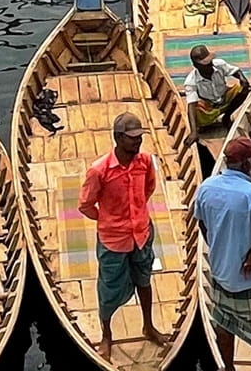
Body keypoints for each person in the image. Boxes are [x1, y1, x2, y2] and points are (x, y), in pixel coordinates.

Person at [78, 113, 168, 359]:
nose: (137, 142)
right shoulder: (99, 170)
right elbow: (85, 204)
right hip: (113, 239)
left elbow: (149, 187)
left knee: (144, 280)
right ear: (118, 138)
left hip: (141, 233)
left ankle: (148, 326)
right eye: (131, 138)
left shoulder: (145, 162)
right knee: (108, 289)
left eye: (139, 137)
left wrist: (136, 213)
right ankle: (106, 336)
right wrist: (108, 219)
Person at [194, 138, 251, 371]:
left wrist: (219, 247)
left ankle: (228, 368)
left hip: (222, 276)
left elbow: (202, 224)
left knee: (224, 325)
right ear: (247, 165)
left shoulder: (206, 188)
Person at [183, 44, 249, 131]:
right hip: (209, 105)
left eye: (210, 62)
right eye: (205, 64)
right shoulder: (191, 81)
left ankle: (227, 116)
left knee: (241, 89)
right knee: (196, 112)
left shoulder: (219, 64)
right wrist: (193, 132)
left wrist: (242, 78)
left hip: (224, 97)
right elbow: (191, 106)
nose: (209, 65)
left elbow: (235, 71)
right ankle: (204, 125)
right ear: (196, 66)